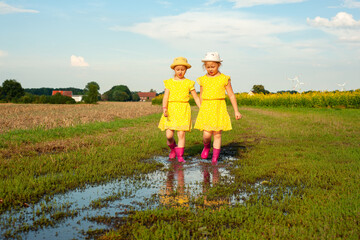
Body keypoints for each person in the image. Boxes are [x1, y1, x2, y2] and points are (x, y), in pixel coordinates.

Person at [194, 52, 242, 164]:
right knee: (206, 134)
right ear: (204, 67)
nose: (210, 69)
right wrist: (201, 108)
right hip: (206, 107)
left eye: (213, 66)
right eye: (208, 67)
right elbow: (201, 95)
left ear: (218, 65)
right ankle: (206, 146)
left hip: (219, 107)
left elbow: (231, 94)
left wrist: (236, 110)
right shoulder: (202, 79)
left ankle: (215, 158)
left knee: (217, 134)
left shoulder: (224, 78)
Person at [158, 57, 201, 162]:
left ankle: (180, 156)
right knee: (169, 135)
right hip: (171, 110)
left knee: (181, 134)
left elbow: (195, 97)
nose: (180, 71)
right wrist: (164, 108)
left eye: (182, 69)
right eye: (178, 69)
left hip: (183, 109)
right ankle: (173, 149)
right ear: (174, 69)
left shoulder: (189, 83)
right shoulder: (169, 82)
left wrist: (202, 108)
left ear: (186, 69)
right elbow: (165, 97)